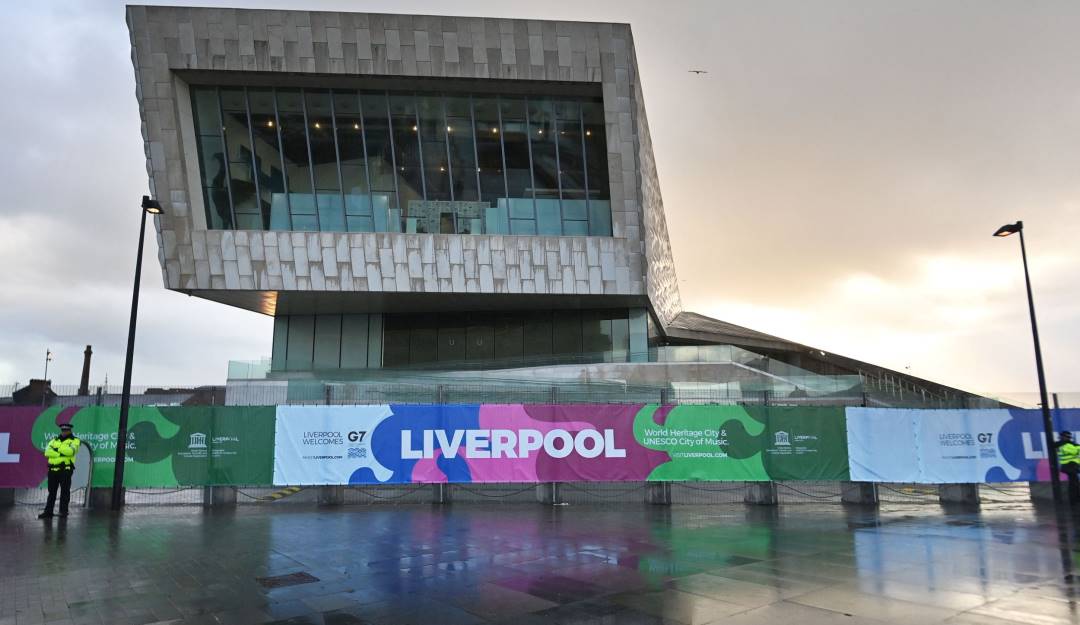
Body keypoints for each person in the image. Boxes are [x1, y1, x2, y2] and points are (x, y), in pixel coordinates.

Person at [39, 423, 80, 519]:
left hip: (65, 469)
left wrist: (56, 449)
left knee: (65, 492)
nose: (64, 432)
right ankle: (48, 512)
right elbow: (47, 452)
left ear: (70, 430)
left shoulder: (75, 440)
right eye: (63, 430)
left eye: (66, 430)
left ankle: (63, 512)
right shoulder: (54, 440)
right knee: (51, 492)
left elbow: (70, 452)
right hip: (53, 469)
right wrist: (61, 453)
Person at [1055, 430, 1080, 505]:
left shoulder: (1062, 444)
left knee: (1074, 483)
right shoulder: (1066, 445)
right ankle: (1074, 500)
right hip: (1070, 466)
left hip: (1069, 466)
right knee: (1074, 483)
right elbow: (1075, 451)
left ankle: (1075, 499)